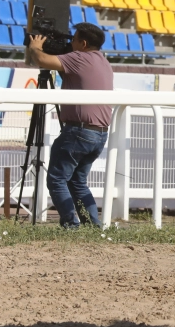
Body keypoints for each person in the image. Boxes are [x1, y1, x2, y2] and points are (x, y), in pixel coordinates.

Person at [26, 22, 114, 228]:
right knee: (77, 182)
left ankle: (70, 225)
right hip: (99, 134)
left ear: (83, 43)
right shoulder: (102, 61)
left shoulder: (79, 58)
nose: (70, 43)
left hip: (79, 131)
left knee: (56, 179)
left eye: (73, 39)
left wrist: (35, 46)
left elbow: (41, 59)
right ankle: (92, 226)